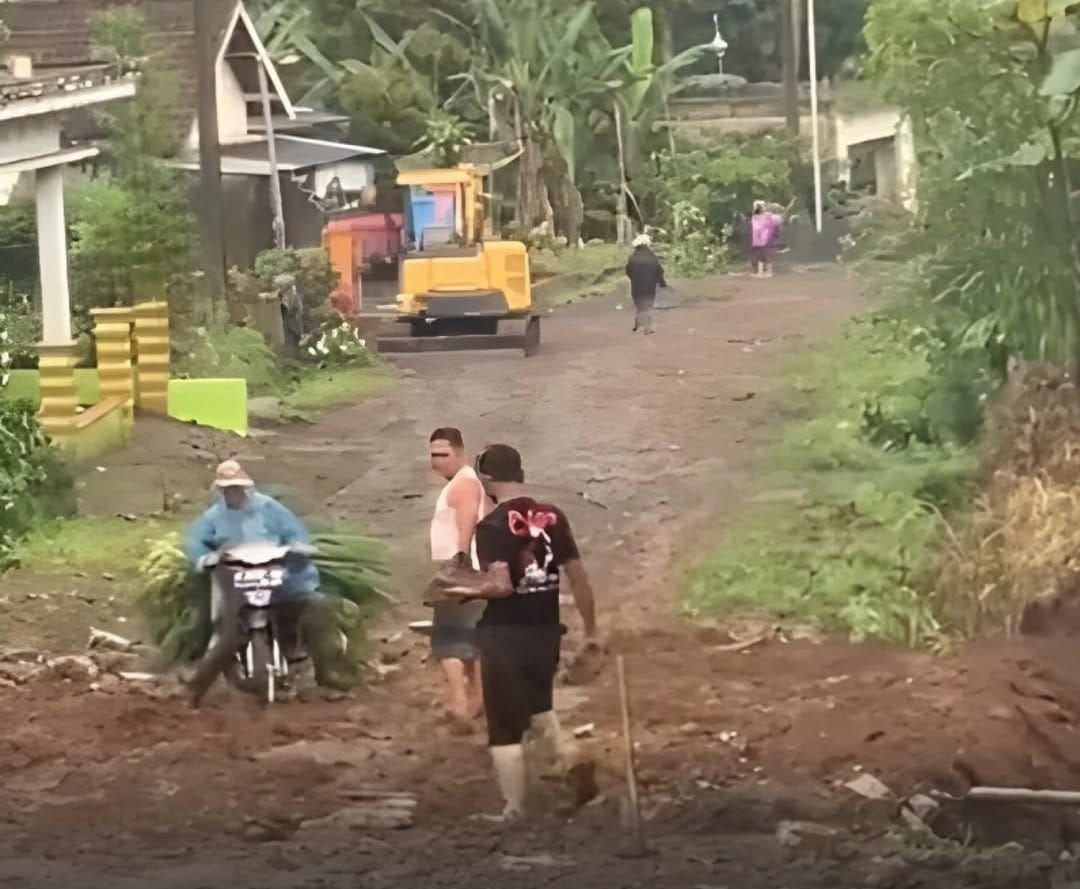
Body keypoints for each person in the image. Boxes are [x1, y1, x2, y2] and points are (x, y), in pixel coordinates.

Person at [462, 444, 599, 822]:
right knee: (540, 708)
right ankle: (570, 764)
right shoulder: (553, 517)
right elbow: (579, 578)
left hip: (505, 636)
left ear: (487, 479)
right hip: (545, 633)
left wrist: (462, 589)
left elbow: (501, 586)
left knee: (503, 726)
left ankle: (515, 809)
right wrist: (591, 631)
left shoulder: (489, 528)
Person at [183, 459, 339, 706]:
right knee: (228, 636)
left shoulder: (270, 508)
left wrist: (298, 548)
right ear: (220, 490)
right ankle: (195, 691)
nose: (233, 493)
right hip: (236, 584)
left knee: (317, 609)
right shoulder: (213, 518)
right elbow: (195, 543)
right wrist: (207, 558)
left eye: (237, 487)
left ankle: (331, 677)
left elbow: (295, 533)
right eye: (228, 489)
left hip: (277, 580)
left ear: (247, 486)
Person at [428, 427, 488, 728]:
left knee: (448, 640)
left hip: (460, 569)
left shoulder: (464, 484)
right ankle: (476, 701)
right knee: (472, 639)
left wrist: (460, 562)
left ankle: (462, 702)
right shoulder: (464, 482)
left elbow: (466, 523)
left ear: (461, 454)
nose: (436, 461)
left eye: (443, 454)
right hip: (466, 569)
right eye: (433, 455)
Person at [625, 233, 667, 335]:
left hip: (636, 285)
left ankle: (638, 322)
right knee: (648, 305)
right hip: (649, 285)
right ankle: (648, 327)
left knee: (639, 304)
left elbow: (628, 271)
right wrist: (662, 282)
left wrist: (634, 279)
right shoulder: (652, 257)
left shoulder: (632, 257)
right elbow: (659, 271)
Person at [750, 200, 784, 277]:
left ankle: (764, 272)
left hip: (763, 240)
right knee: (764, 256)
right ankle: (766, 272)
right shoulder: (765, 216)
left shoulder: (760, 216)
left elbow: (777, 221)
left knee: (763, 256)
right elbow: (778, 221)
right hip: (764, 239)